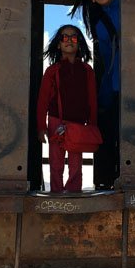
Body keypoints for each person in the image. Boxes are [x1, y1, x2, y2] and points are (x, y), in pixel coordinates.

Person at [69, 0, 120, 190]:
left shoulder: (132, 10)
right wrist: (102, 98)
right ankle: (104, 183)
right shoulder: (99, 24)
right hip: (116, 87)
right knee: (109, 137)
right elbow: (106, 61)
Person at [36, 25, 98, 193]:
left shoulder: (87, 71)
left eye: (74, 37)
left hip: (78, 125)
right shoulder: (52, 71)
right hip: (56, 123)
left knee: (76, 165)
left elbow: (92, 100)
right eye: (65, 37)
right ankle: (56, 194)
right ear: (58, 44)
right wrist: (41, 127)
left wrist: (92, 124)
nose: (69, 40)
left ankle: (74, 195)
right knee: (55, 163)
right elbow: (42, 102)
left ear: (79, 44)